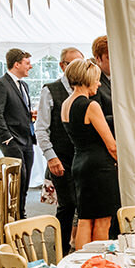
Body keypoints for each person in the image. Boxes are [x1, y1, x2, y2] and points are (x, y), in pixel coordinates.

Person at [61, 58, 118, 247]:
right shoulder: (90, 105)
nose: (99, 83)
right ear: (86, 79)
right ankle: (97, 264)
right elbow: (111, 145)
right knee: (103, 220)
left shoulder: (65, 104)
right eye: (96, 79)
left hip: (80, 164)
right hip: (99, 167)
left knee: (85, 218)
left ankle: (81, 265)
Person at [36, 46, 84, 254]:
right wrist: (50, 157)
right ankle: (61, 249)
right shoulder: (51, 90)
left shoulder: (86, 88)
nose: (75, 68)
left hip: (83, 157)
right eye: (71, 64)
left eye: (79, 63)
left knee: (84, 203)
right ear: (62, 66)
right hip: (61, 158)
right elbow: (41, 128)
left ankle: (80, 246)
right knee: (68, 204)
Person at [0, 47, 36, 218]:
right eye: (27, 63)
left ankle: (20, 212)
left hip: (27, 138)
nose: (30, 66)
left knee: (26, 178)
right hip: (12, 140)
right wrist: (7, 138)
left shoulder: (24, 85)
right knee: (19, 178)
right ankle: (16, 214)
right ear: (17, 64)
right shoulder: (0, 84)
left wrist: (29, 115)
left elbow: (17, 109)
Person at [91, 36, 114, 129]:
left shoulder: (121, 78)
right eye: (109, 58)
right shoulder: (92, 81)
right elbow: (97, 118)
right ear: (97, 58)